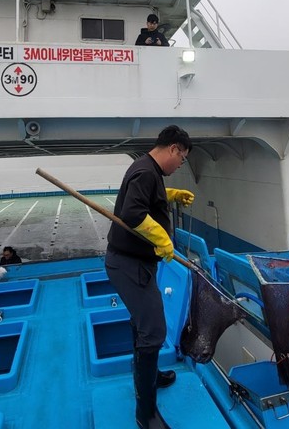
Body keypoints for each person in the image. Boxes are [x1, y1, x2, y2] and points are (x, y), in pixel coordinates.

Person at [106, 125, 194, 429]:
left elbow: (146, 198)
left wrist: (170, 196)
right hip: (129, 265)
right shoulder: (146, 171)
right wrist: (163, 238)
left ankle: (150, 377)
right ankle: (146, 414)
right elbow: (133, 213)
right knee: (154, 331)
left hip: (135, 263)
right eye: (182, 158)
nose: (180, 164)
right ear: (174, 148)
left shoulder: (147, 169)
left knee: (142, 324)